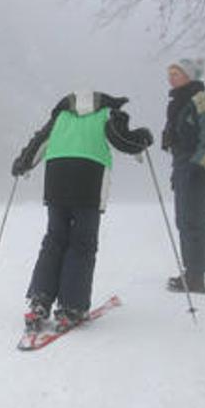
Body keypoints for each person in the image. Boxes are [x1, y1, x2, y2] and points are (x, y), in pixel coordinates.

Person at [12, 91, 154, 331]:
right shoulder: (107, 113)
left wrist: (23, 163)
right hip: (89, 178)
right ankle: (71, 306)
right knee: (82, 242)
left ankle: (41, 299)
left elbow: (39, 142)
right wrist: (144, 138)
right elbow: (123, 140)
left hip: (57, 177)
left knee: (55, 238)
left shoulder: (61, 116)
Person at [162, 59, 205, 294]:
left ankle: (196, 277)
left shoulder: (201, 99)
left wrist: (199, 166)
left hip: (197, 166)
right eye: (170, 73)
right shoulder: (179, 102)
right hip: (182, 164)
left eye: (176, 73)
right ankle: (191, 272)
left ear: (188, 76)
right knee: (184, 219)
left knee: (193, 220)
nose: (171, 77)